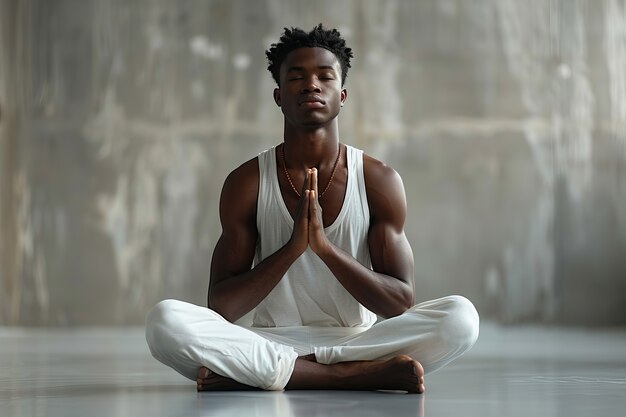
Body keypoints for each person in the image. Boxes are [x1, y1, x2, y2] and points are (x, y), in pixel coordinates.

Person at [145, 24, 479, 394]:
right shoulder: (247, 182)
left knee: (461, 319)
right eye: (297, 77)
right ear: (278, 95)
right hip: (269, 341)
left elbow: (399, 303)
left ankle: (267, 376)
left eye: (325, 76)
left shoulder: (379, 180)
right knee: (164, 321)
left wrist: (324, 248)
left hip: (357, 341)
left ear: (343, 94)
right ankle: (353, 376)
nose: (312, 85)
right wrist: (291, 250)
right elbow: (223, 305)